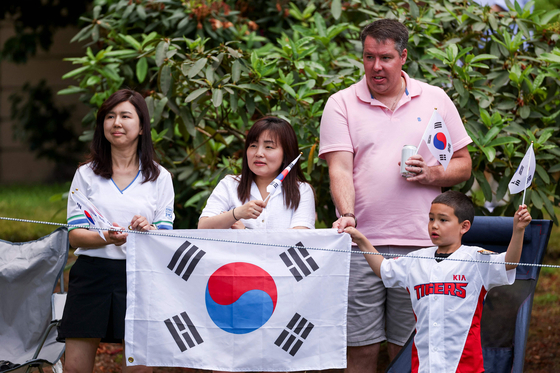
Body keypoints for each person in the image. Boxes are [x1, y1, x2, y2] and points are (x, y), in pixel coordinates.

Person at [318, 19, 473, 372]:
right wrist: (348, 215)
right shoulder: (341, 103)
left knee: (411, 349)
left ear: (403, 56)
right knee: (359, 348)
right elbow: (339, 169)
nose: (376, 66)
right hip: (361, 245)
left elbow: (464, 166)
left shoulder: (435, 99)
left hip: (423, 246)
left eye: (385, 57)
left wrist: (434, 174)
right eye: (369, 57)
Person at [344, 191, 532, 372]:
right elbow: (384, 270)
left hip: (465, 365)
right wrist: (361, 240)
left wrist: (518, 230)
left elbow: (509, 262)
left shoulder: (476, 258)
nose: (434, 225)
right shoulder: (416, 259)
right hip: (424, 364)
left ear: (464, 226)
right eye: (431, 218)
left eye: (443, 220)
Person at [58, 89, 175, 373]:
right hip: (91, 274)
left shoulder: (160, 178)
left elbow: (163, 239)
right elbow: (75, 236)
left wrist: (147, 231)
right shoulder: (85, 174)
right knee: (74, 367)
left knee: (138, 369)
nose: (116, 123)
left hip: (140, 277)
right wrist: (105, 237)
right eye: (109, 116)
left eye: (125, 116)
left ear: (142, 127)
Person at [198, 116, 315, 230]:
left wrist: (245, 233)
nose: (258, 153)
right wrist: (236, 214)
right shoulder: (229, 184)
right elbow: (203, 228)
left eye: (269, 147)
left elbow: (298, 240)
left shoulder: (302, 191)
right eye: (253, 145)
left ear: (286, 154)